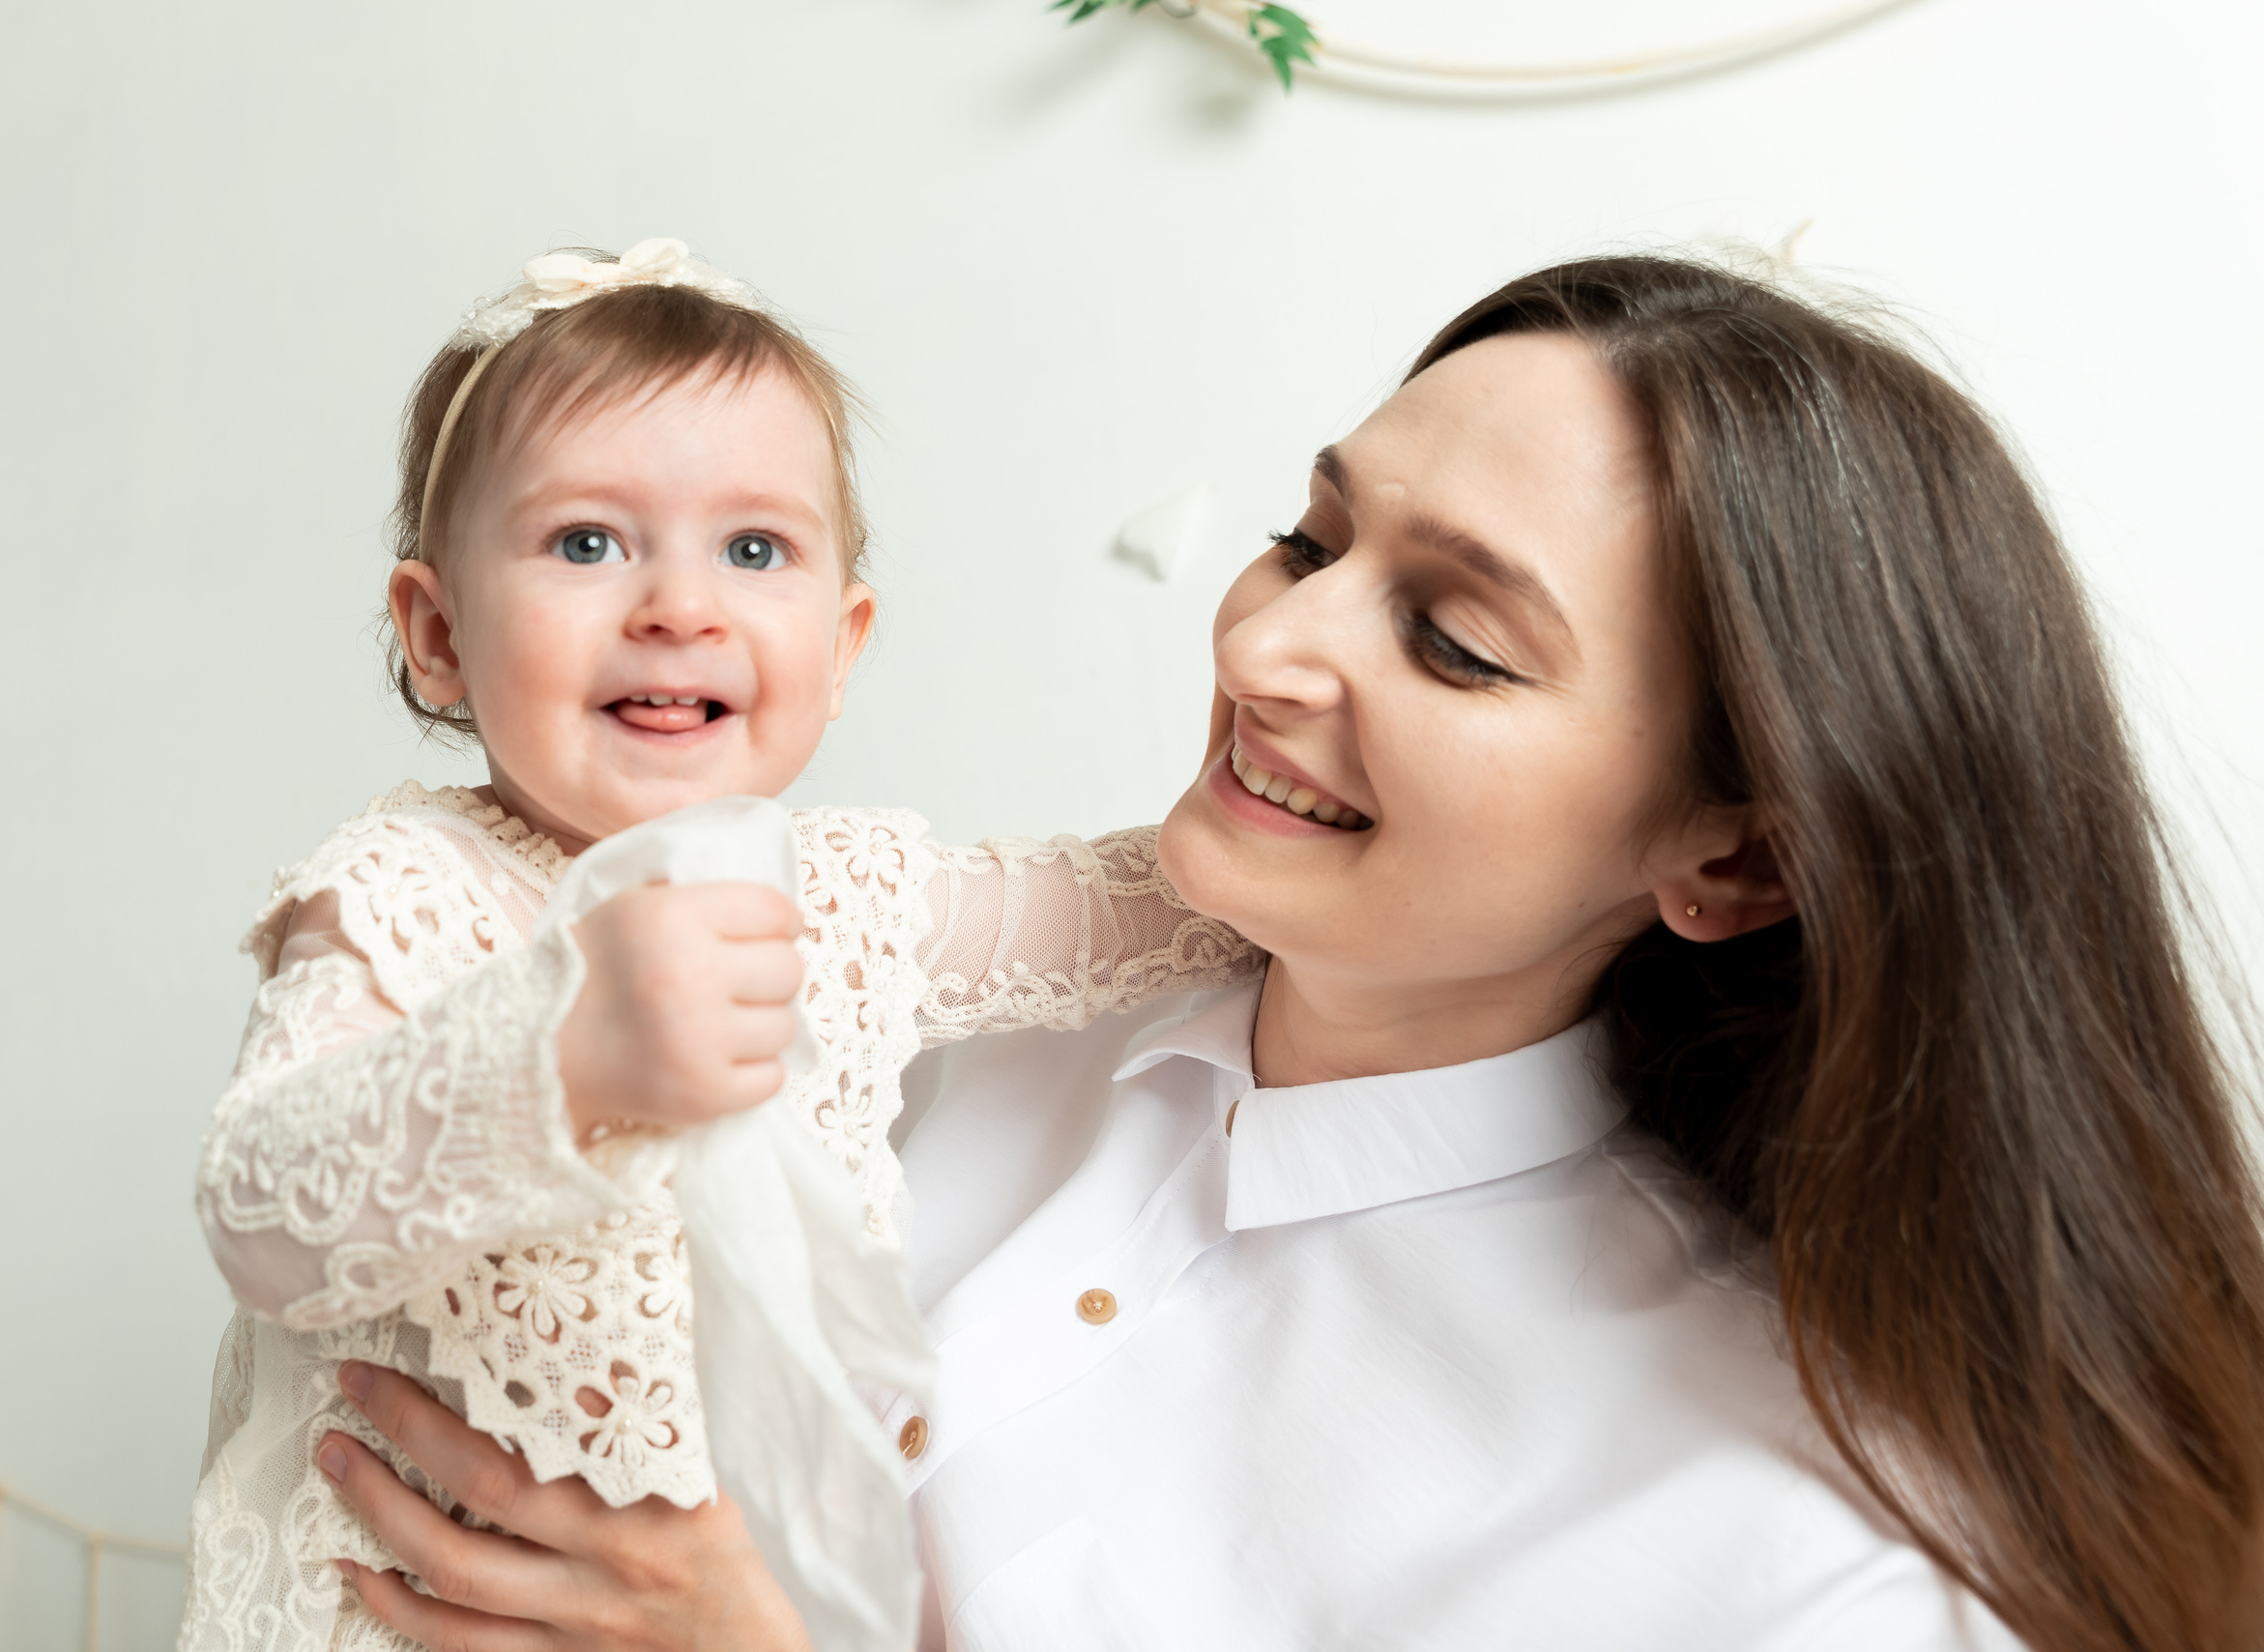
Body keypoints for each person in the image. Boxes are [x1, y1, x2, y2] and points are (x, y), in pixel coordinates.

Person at [302, 253, 2264, 1652]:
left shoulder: (1779, 1553)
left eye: (1456, 642)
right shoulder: (897, 1013)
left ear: (1732, 856)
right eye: (1311, 541)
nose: (1260, 645)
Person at [181, 240, 1260, 1652]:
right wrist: (559, 1053)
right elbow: (259, 1209)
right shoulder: (403, 890)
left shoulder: (843, 899)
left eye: (754, 551)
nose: (680, 607)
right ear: (437, 634)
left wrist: (1356, 824)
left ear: (844, 643)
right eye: (587, 542)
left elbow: (1139, 910)